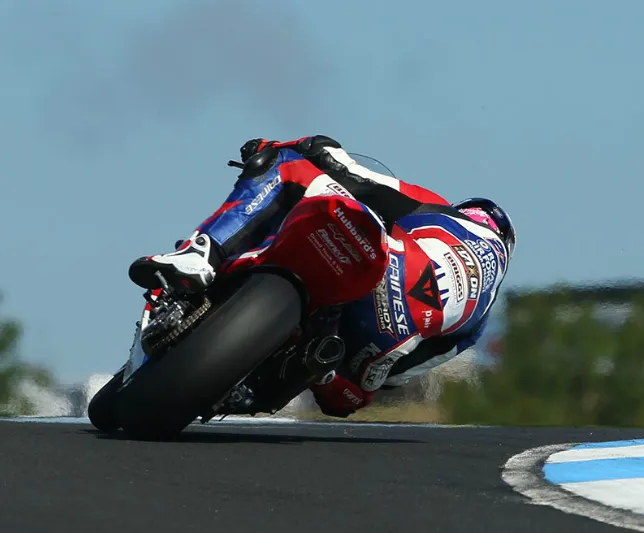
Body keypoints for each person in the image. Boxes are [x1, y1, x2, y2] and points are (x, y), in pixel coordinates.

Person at [128, 135, 516, 418]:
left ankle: (203, 255)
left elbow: (359, 177)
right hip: (385, 343)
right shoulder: (478, 321)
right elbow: (403, 375)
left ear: (472, 213)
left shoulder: (445, 212)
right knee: (346, 393)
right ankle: (303, 365)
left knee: (288, 167)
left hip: (389, 267)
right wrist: (358, 378)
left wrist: (304, 146)